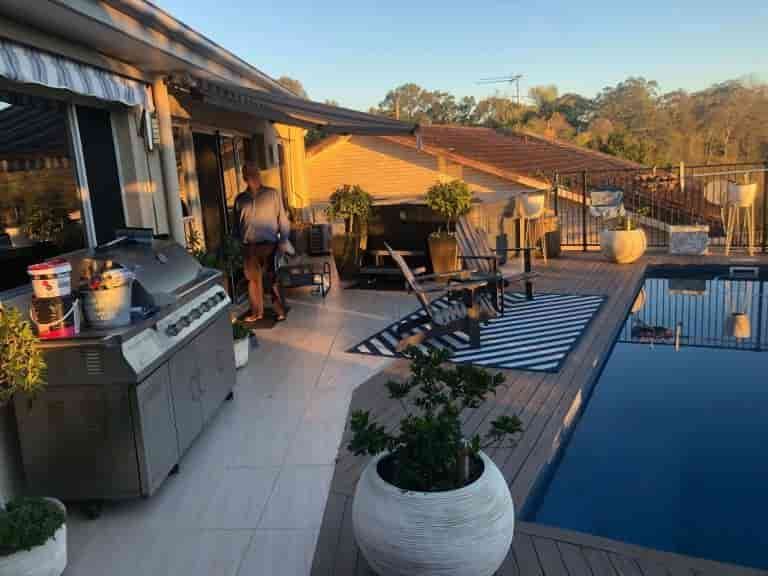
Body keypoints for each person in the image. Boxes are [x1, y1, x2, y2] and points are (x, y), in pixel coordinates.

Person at [232, 162, 289, 322]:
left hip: (269, 245)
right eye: (247, 173)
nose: (251, 176)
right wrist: (237, 245)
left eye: (253, 172)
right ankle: (257, 313)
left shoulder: (272, 194)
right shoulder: (240, 199)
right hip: (249, 247)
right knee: (253, 281)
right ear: (244, 177)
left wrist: (283, 241)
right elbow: (236, 226)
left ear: (258, 174)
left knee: (272, 280)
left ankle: (280, 311)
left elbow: (282, 219)